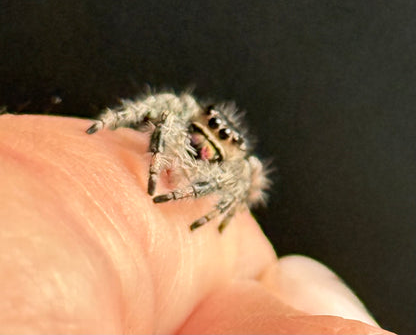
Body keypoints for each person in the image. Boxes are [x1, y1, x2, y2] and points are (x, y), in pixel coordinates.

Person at [0, 114, 395, 334]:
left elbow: (247, 184)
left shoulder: (238, 166)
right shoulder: (183, 117)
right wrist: (123, 131)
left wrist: (204, 209)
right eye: (205, 127)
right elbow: (161, 112)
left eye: (218, 138)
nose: (205, 141)